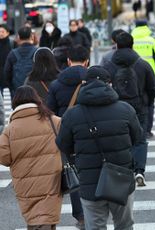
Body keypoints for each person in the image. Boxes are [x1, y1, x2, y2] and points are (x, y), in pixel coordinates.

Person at [56, 66, 141, 230]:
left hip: (89, 180)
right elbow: (137, 138)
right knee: (124, 225)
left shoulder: (72, 115)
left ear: (84, 84)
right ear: (109, 84)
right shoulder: (125, 109)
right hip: (120, 177)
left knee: (94, 226)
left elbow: (62, 145)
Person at [0, 86, 63, 230]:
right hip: (52, 178)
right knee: (48, 217)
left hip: (25, 182)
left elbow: (3, 157)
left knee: (34, 219)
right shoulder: (54, 121)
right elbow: (67, 144)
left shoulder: (11, 129)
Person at [102, 32, 155, 186]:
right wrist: (147, 103)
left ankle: (124, 170)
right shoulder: (143, 64)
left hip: (115, 108)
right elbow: (152, 88)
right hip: (139, 107)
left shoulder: (108, 65)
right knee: (139, 140)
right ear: (133, 45)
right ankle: (139, 171)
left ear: (116, 45)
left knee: (119, 139)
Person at [47, 45, 89, 229]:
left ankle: (80, 214)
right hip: (91, 130)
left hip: (68, 132)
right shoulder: (93, 79)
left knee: (72, 170)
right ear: (87, 61)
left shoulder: (56, 84)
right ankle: (93, 209)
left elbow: (51, 112)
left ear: (69, 61)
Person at [4, 26, 37, 98]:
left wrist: (11, 88)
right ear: (31, 36)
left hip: (17, 91)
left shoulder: (13, 53)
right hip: (35, 91)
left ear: (18, 37)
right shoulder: (37, 52)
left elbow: (7, 73)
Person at [0, 24, 15, 95]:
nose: (0, 34)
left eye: (3, 32)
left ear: (7, 33)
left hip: (10, 74)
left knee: (12, 95)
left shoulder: (12, 43)